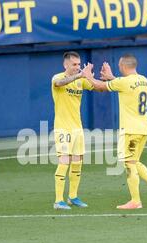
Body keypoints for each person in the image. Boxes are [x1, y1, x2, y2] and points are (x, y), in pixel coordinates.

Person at [81, 54, 147, 209]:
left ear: (124, 66)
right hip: (144, 128)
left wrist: (87, 77)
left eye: (120, 66)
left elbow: (100, 87)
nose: (119, 68)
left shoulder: (124, 82)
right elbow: (123, 84)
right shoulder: (143, 79)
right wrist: (111, 77)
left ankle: (136, 200)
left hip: (130, 130)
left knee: (129, 163)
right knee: (134, 161)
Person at [51, 51, 94, 210]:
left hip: (77, 128)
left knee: (77, 162)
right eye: (74, 64)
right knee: (64, 162)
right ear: (66, 65)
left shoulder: (80, 80)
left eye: (78, 64)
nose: (77, 67)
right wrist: (79, 76)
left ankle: (73, 197)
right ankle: (58, 200)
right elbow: (60, 84)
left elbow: (96, 87)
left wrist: (95, 77)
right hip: (62, 128)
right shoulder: (57, 77)